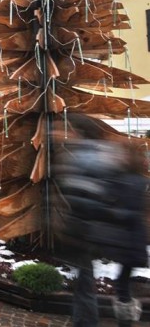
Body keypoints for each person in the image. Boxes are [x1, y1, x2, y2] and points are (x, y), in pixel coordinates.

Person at [53, 114, 147, 327]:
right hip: (86, 230)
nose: (58, 133)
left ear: (77, 132)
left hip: (86, 231)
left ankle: (90, 322)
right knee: (88, 283)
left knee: (88, 284)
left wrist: (80, 222)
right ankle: (90, 320)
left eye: (64, 129)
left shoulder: (84, 157)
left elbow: (98, 197)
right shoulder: (88, 155)